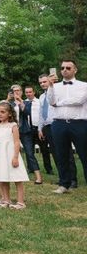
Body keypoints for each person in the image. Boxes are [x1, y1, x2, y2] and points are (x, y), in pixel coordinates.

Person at [47, 60, 87, 195]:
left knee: (84, 154)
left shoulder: (83, 85)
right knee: (61, 155)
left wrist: (59, 103)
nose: (64, 70)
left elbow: (79, 100)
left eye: (68, 68)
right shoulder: (55, 86)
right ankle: (64, 183)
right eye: (62, 68)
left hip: (79, 123)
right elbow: (51, 101)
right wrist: (51, 87)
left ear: (75, 70)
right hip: (59, 123)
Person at [0, 102, 29, 209]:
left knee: (17, 177)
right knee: (3, 177)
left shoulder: (13, 125)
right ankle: (6, 199)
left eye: (3, 112)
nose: (0, 114)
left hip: (10, 154)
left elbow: (16, 142)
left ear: (10, 114)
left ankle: (20, 202)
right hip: (0, 155)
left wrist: (15, 157)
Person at [38, 74, 76, 185]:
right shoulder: (41, 97)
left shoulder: (58, 91)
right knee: (56, 153)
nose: (42, 84)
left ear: (49, 81)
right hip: (47, 127)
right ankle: (63, 178)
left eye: (44, 81)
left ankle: (73, 179)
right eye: (40, 82)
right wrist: (40, 128)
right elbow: (41, 113)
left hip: (59, 124)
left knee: (66, 152)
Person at [9, 85, 43, 185]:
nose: (16, 92)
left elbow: (27, 113)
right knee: (12, 152)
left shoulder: (27, 102)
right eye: (14, 91)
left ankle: (38, 177)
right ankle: (13, 174)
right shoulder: (9, 103)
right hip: (12, 130)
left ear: (21, 92)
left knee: (29, 153)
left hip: (24, 130)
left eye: (18, 90)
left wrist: (21, 102)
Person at [25, 85, 52, 176]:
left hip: (39, 129)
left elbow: (42, 114)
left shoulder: (39, 101)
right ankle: (31, 168)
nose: (28, 94)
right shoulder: (23, 103)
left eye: (30, 92)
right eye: (27, 92)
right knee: (29, 151)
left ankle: (49, 169)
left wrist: (41, 127)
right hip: (28, 129)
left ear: (34, 92)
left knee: (45, 150)